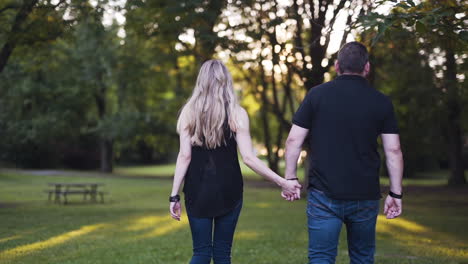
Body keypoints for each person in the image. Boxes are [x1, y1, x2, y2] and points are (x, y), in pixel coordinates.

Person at [169, 59, 301, 264]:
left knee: (201, 253)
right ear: (225, 81)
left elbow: (184, 156)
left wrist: (174, 196)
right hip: (229, 190)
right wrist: (282, 182)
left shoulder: (189, 113)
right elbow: (248, 158)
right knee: (222, 254)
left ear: (201, 82)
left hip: (197, 191)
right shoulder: (237, 114)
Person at [283, 41, 404, 264]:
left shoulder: (316, 95)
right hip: (365, 195)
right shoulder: (381, 102)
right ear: (366, 68)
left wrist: (290, 178)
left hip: (323, 194)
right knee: (362, 258)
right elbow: (393, 150)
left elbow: (293, 140)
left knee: (321, 258)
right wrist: (395, 194)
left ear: (337, 66)